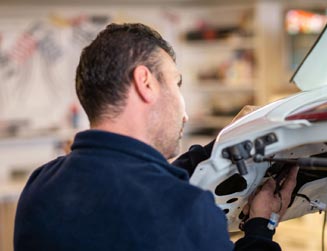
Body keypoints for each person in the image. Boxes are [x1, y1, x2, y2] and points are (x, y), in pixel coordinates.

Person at [14, 23, 298, 251]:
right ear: (145, 83)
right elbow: (154, 195)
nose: (184, 114)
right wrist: (262, 226)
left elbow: (131, 179)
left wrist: (215, 149)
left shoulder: (41, 185)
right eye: (176, 83)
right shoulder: (186, 211)